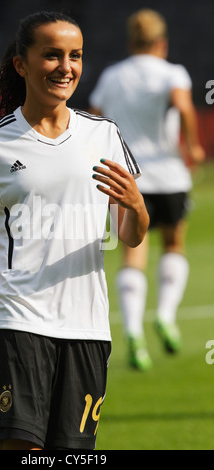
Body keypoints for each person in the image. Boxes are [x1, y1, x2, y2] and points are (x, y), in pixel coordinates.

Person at [0, 11, 149, 450]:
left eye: (75, 55)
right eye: (52, 55)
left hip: (88, 330)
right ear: (21, 64)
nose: (66, 66)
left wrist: (136, 206)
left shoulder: (104, 136)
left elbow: (132, 235)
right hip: (16, 325)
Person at [89, 9, 205, 371]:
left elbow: (94, 115)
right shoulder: (172, 72)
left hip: (126, 177)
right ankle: (167, 316)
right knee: (173, 244)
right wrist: (193, 145)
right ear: (162, 42)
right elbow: (184, 107)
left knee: (132, 255)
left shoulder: (112, 75)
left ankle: (134, 333)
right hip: (169, 174)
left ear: (130, 41)